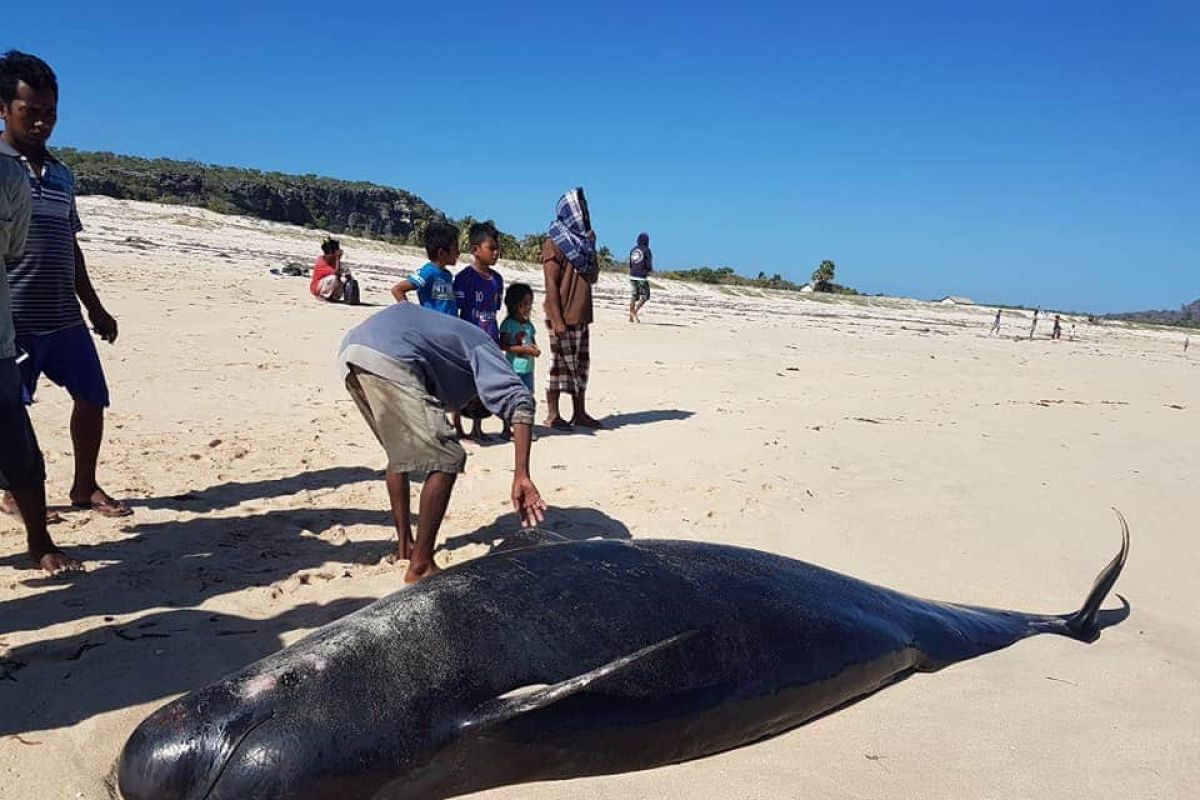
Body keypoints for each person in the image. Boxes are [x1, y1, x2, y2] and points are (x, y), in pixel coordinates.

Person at [0, 50, 130, 520]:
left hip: (63, 315)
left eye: (49, 114)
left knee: (92, 396)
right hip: (12, 317)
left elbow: (69, 245)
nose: (41, 124)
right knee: (13, 411)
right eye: (29, 112)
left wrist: (95, 308)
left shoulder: (62, 174)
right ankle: (15, 491)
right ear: (3, 108)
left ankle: (84, 485)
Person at [338, 302, 545, 583]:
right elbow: (520, 400)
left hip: (353, 350)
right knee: (448, 456)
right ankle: (421, 565)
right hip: (392, 353)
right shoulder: (485, 347)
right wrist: (522, 474)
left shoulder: (448, 351)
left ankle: (406, 546)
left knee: (399, 454)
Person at [1, 100, 79, 575]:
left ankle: (39, 542)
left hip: (4, 334)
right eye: (30, 109)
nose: (42, 119)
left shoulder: (12, 178)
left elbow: (12, 250)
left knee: (18, 446)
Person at [542, 187, 602, 429]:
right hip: (562, 314)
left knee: (580, 365)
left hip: (581, 314)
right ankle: (553, 414)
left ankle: (579, 412)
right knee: (558, 366)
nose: (586, 213)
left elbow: (593, 276)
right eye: (582, 208)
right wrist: (557, 319)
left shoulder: (584, 244)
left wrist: (593, 247)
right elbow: (550, 283)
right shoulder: (555, 242)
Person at [452, 222, 504, 440]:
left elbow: (495, 309)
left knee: (482, 386)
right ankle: (457, 426)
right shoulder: (464, 278)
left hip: (490, 339)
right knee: (461, 383)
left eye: (497, 248)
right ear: (475, 250)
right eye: (491, 248)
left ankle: (477, 427)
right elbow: (458, 308)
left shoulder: (497, 280)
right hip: (468, 340)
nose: (495, 253)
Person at [390, 221, 459, 313]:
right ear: (441, 253)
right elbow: (397, 290)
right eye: (455, 249)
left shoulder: (447, 275)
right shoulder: (428, 272)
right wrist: (408, 313)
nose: (458, 253)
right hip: (433, 325)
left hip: (448, 324)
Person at [499, 283, 539, 439]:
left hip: (528, 368)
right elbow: (504, 345)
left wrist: (534, 349)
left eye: (530, 304)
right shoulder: (508, 324)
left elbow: (532, 339)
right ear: (514, 305)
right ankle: (507, 428)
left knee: (528, 397)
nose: (528, 308)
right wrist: (524, 350)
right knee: (511, 398)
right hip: (513, 368)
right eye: (524, 304)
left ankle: (525, 427)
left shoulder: (529, 325)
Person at [310, 238, 359, 304]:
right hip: (317, 288)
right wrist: (337, 258)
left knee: (345, 279)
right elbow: (336, 273)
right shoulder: (321, 261)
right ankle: (323, 296)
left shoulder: (335, 262)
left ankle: (334, 297)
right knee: (333, 278)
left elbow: (346, 276)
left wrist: (349, 278)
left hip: (327, 284)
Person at [628, 231, 652, 323]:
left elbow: (630, 263)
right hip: (641, 276)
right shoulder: (646, 250)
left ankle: (631, 314)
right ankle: (635, 311)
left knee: (634, 295)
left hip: (632, 275)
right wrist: (648, 271)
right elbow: (648, 264)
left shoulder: (633, 249)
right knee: (646, 296)